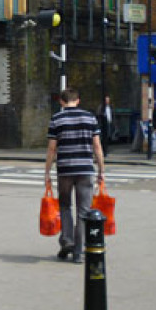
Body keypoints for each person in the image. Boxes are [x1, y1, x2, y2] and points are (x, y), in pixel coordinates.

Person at [44, 88, 105, 264]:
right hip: (85, 169)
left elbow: (51, 149)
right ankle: (79, 252)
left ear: (62, 102)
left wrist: (47, 172)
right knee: (83, 211)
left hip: (64, 170)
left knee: (64, 206)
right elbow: (97, 147)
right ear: (77, 100)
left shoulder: (57, 119)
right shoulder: (90, 117)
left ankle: (67, 242)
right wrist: (101, 170)